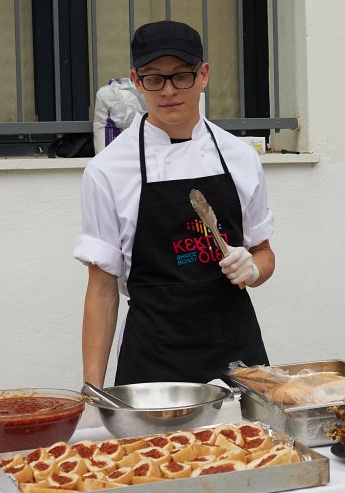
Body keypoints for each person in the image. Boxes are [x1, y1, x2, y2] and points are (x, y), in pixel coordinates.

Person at [74, 20, 275, 387]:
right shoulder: (107, 170)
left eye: (181, 75)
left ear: (204, 75)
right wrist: (92, 393)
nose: (168, 91)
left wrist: (254, 269)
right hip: (154, 364)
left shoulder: (240, 157)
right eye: (154, 78)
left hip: (238, 357)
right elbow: (102, 291)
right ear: (136, 80)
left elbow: (263, 252)